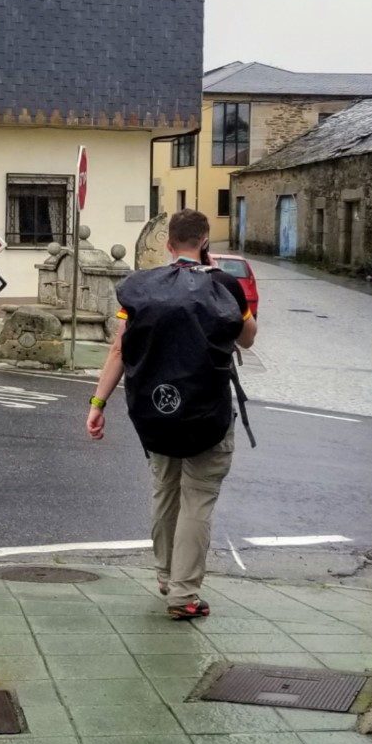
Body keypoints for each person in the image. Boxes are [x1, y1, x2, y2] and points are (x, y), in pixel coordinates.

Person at [87, 208, 258, 619]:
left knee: (165, 492)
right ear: (204, 242)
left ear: (167, 244)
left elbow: (119, 349)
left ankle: (165, 575)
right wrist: (217, 281)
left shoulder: (141, 289)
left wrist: (97, 403)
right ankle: (183, 594)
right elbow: (248, 339)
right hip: (208, 414)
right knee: (198, 499)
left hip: (157, 411)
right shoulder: (225, 286)